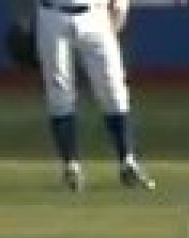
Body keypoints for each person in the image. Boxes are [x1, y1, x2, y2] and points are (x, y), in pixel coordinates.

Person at [28, 0, 156, 192]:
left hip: (95, 13)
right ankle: (71, 166)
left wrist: (121, 4)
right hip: (52, 12)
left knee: (113, 89)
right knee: (59, 92)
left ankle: (128, 162)